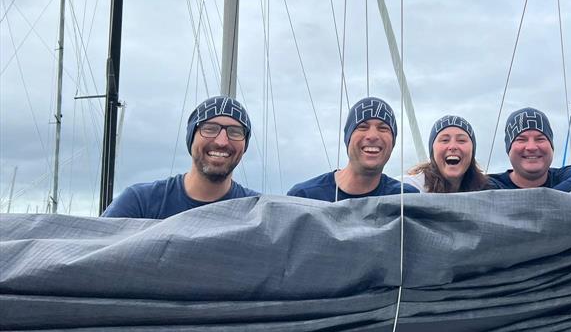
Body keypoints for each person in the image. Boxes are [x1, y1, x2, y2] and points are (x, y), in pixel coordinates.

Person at [103, 95, 259, 219]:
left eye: (235, 132)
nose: (222, 142)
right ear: (191, 138)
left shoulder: (259, 212)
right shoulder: (139, 203)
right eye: (210, 129)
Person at [288, 96, 419, 201]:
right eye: (362, 127)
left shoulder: (407, 198)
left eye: (383, 128)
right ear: (348, 138)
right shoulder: (303, 197)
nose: (372, 136)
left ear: (393, 142)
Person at [488, 106, 571, 192]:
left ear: (551, 146)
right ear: (509, 148)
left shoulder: (566, 176)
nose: (531, 147)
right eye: (521, 140)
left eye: (540, 139)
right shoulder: (488, 186)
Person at [404, 115, 489, 193]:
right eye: (445, 140)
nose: (452, 146)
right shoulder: (409, 188)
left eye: (461, 140)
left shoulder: (488, 189)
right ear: (432, 151)